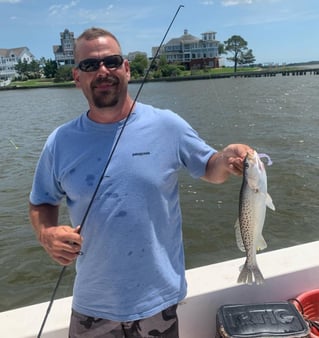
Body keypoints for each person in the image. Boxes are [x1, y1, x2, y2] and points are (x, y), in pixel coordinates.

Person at [29, 27, 252, 338]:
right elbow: (41, 201)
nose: (103, 71)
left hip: (157, 303)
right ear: (76, 76)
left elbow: (210, 169)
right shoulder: (60, 142)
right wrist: (47, 233)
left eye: (112, 61)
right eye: (90, 65)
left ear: (127, 69)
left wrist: (227, 156)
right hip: (92, 303)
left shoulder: (168, 125)